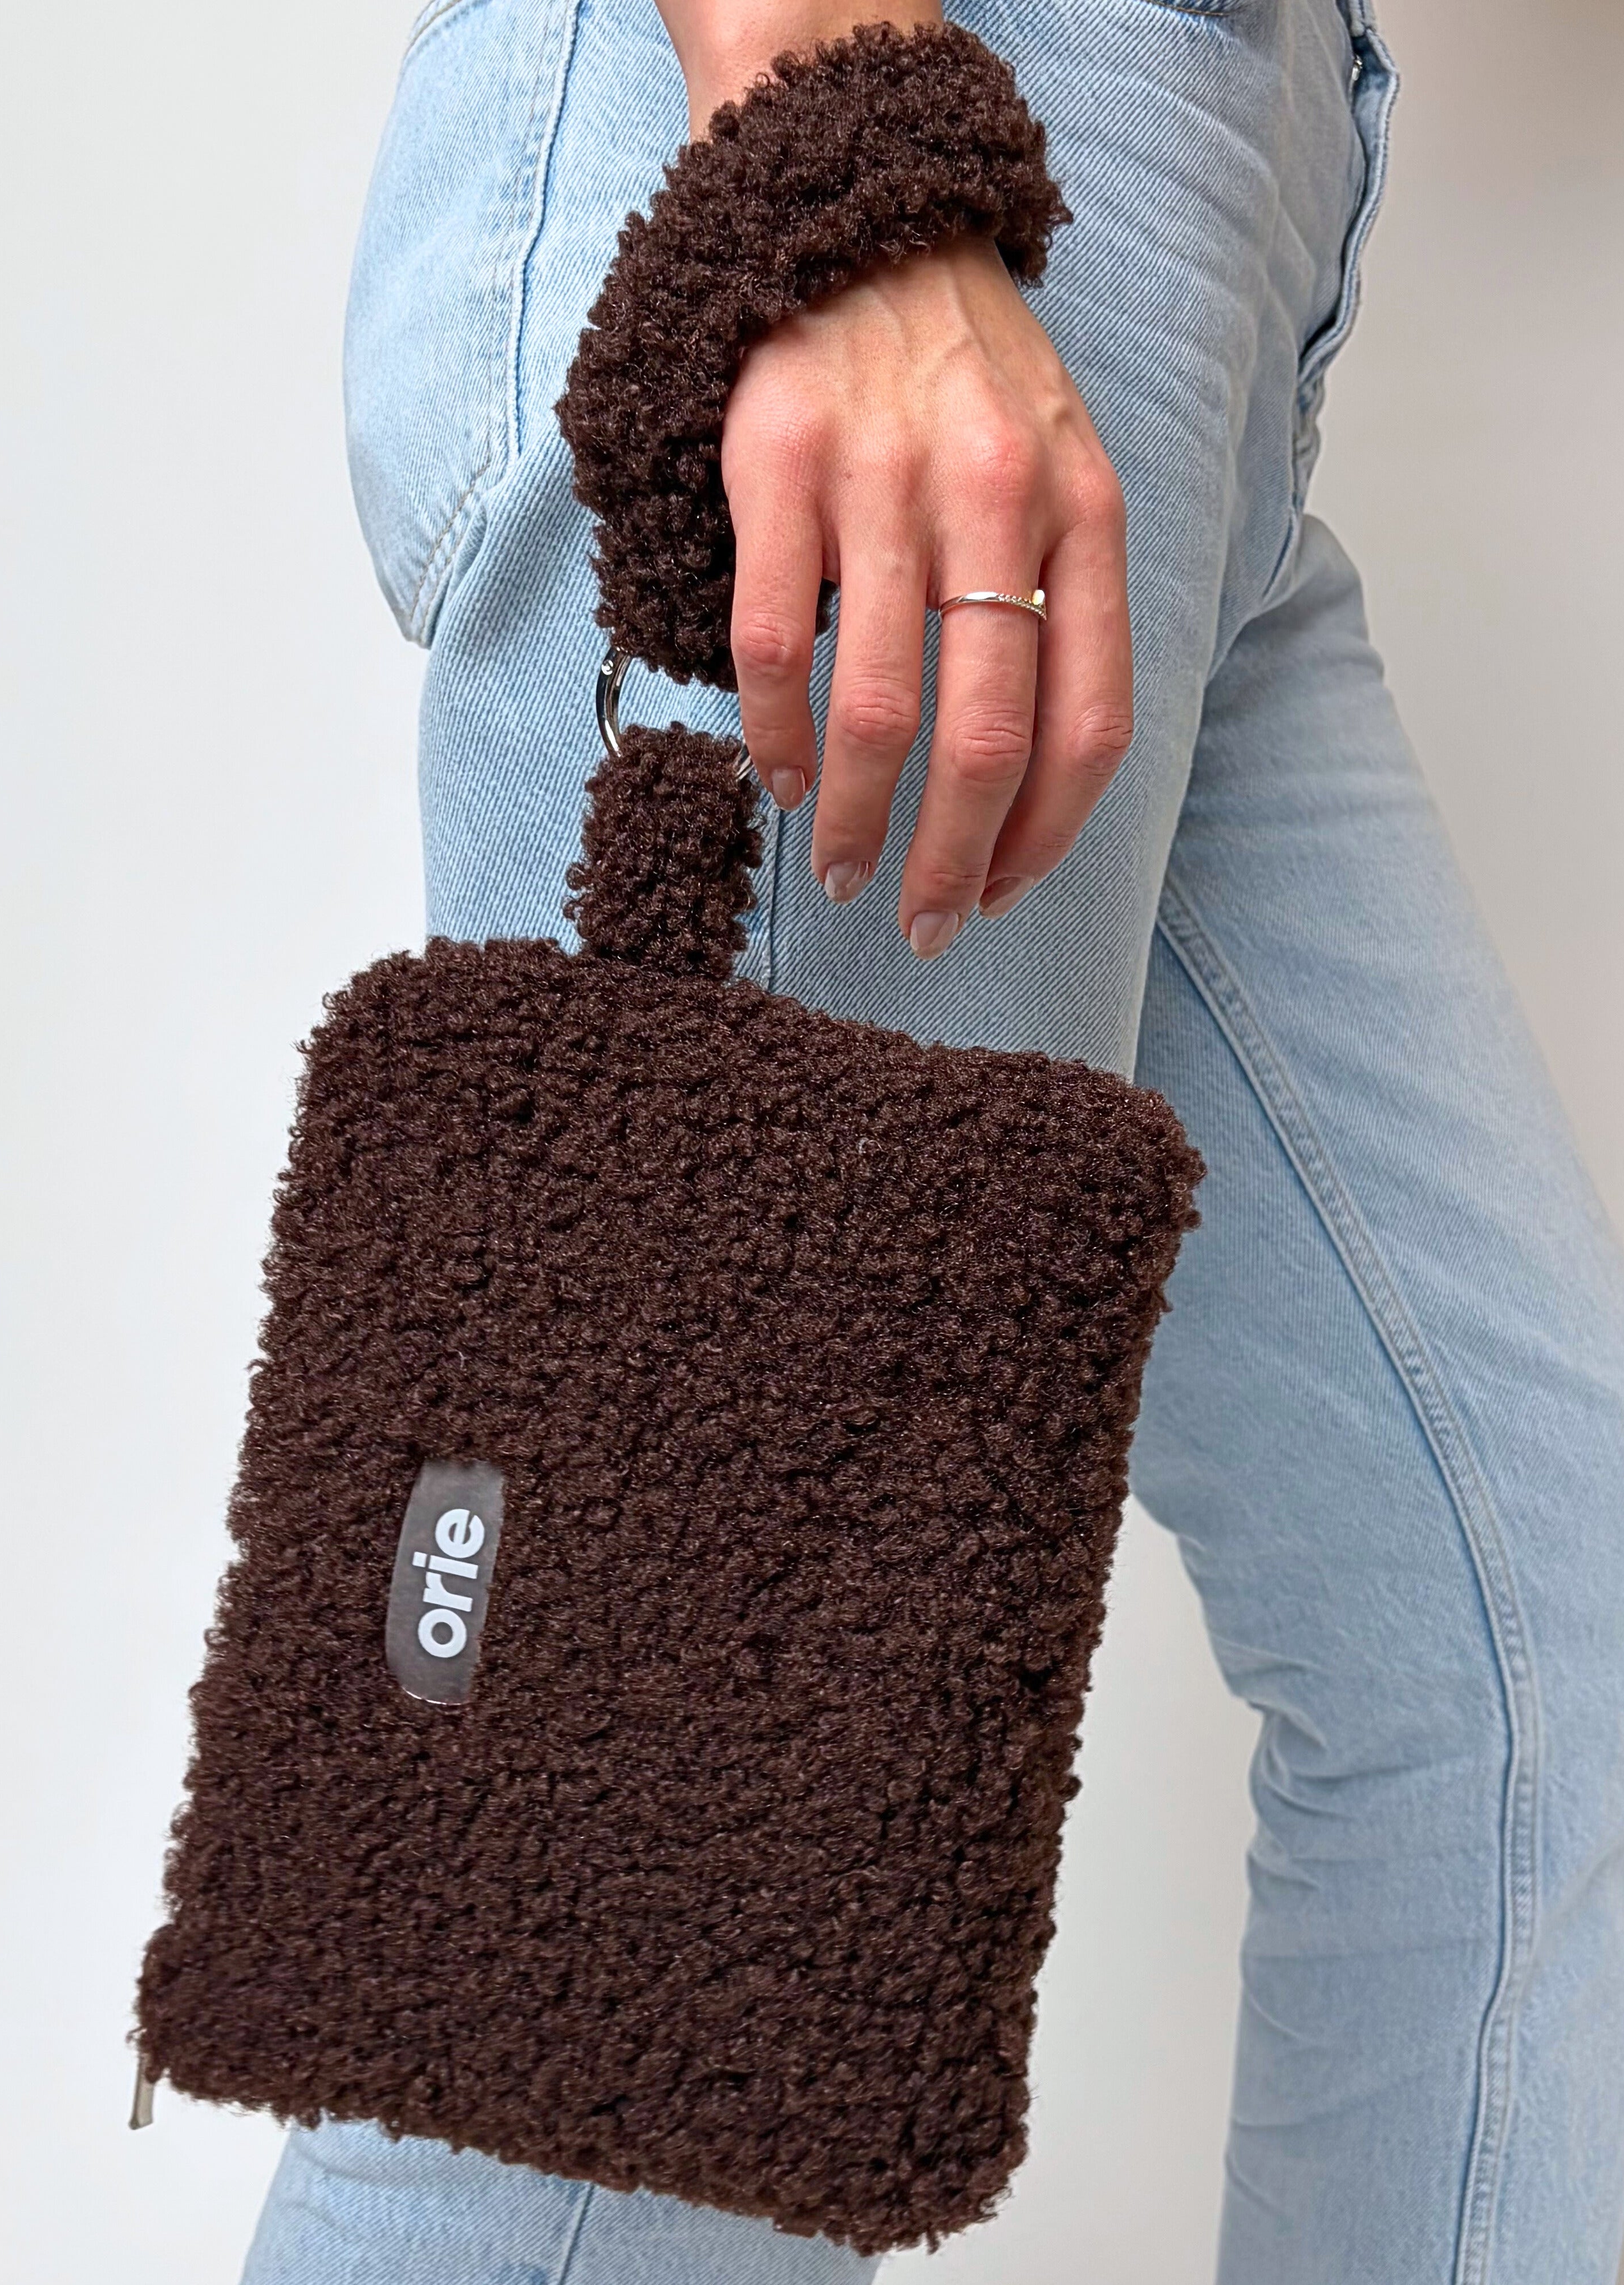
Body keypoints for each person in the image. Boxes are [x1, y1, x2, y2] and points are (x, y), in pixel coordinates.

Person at [241, 2, 1624, 2279]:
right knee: (630, 1943)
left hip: (1195, 242)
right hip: (909, 132)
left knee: (1518, 1658)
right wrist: (832, 119)